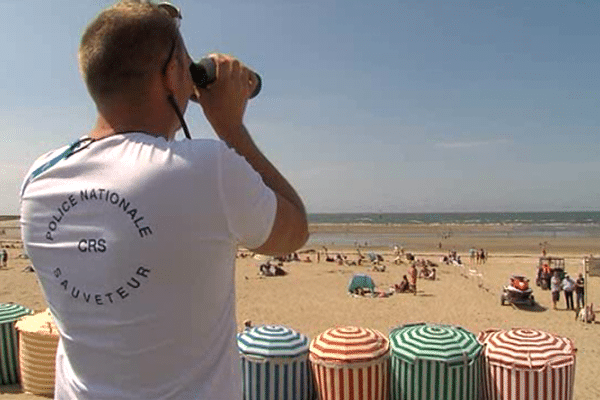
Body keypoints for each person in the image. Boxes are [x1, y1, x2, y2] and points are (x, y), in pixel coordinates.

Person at [19, 2, 308, 399]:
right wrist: (231, 128)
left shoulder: (39, 179)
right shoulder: (211, 170)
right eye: (188, 67)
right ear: (172, 74)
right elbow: (293, 232)